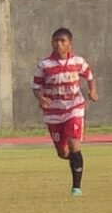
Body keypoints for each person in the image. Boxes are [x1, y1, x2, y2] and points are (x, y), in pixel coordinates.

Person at [32, 27, 98, 196]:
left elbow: (89, 76)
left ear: (70, 44)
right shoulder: (44, 65)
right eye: (56, 41)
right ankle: (77, 161)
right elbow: (36, 87)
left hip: (74, 108)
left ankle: (76, 188)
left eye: (63, 41)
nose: (59, 44)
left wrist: (92, 91)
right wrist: (40, 99)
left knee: (74, 143)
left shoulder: (78, 62)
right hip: (54, 113)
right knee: (63, 153)